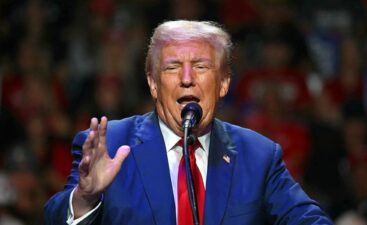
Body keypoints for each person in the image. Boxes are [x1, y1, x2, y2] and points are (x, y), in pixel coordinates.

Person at [44, 20, 333, 225]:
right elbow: (54, 218)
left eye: (200, 66)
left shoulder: (257, 156)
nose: (186, 78)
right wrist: (85, 199)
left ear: (223, 83)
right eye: (172, 67)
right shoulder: (112, 145)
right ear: (153, 84)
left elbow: (307, 219)